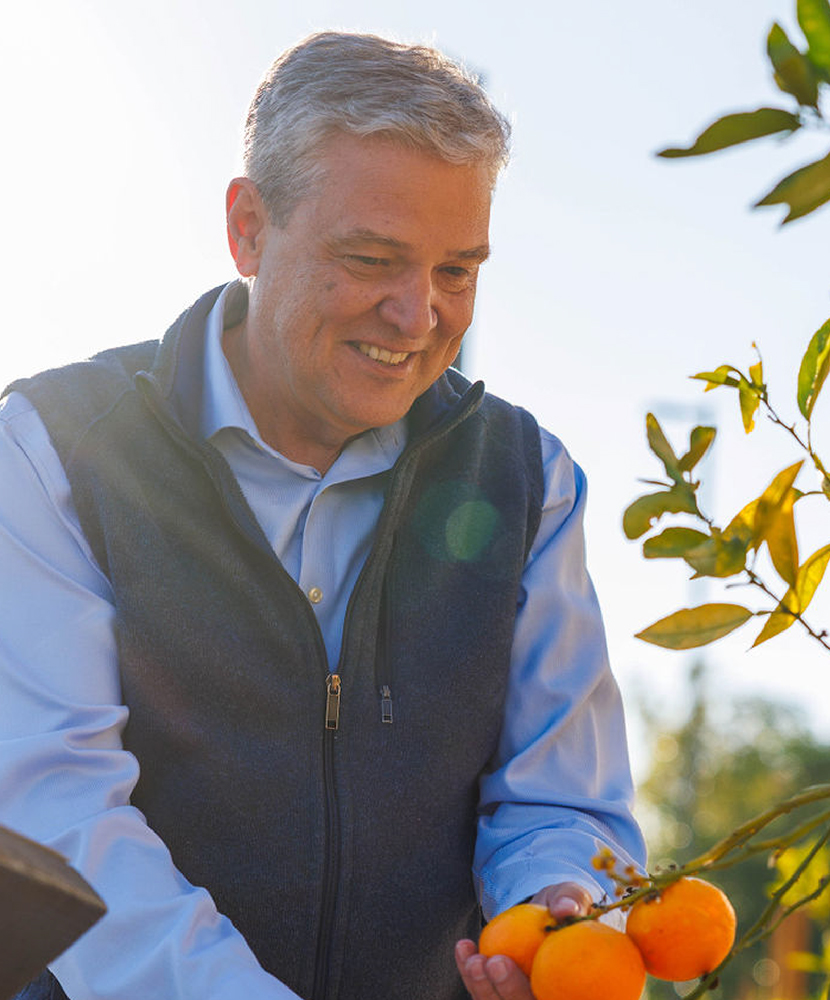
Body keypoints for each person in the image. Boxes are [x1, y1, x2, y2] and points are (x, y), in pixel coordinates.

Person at [0, 31, 644, 1000]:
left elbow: (559, 796)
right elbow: (56, 808)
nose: (417, 314)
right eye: (373, 258)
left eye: (457, 271)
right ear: (249, 227)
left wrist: (560, 906)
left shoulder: (527, 481)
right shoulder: (52, 447)